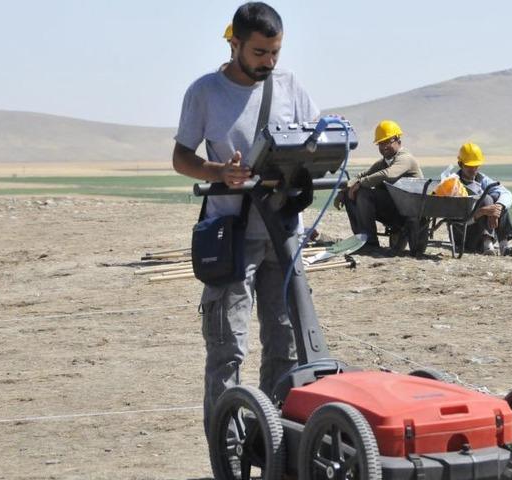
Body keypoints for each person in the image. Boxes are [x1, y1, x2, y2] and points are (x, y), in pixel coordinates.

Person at [171, 2, 320, 438]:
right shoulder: (204, 92)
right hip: (231, 238)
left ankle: (273, 440)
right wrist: (219, 173)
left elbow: (314, 141)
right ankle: (228, 448)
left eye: (275, 53)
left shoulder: (290, 86)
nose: (269, 63)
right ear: (234, 44)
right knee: (227, 347)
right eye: (259, 53)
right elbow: (181, 157)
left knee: (287, 342)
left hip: (283, 234)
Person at [334, 120, 424, 254]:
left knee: (363, 193)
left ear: (398, 140)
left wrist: (359, 184)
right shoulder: (383, 163)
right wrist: (345, 190)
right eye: (381, 143)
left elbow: (388, 174)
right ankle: (361, 240)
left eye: (388, 141)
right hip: (393, 209)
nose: (384, 146)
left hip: (408, 211)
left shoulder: (405, 159)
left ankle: (370, 243)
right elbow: (361, 175)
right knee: (350, 195)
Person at [452, 142, 512, 256]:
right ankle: (487, 246)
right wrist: (481, 212)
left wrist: (498, 209)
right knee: (486, 199)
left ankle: (504, 246)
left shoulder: (482, 179)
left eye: (476, 166)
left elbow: (506, 193)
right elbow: (457, 222)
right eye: (469, 166)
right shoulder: (453, 184)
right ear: (460, 164)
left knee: (498, 200)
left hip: (482, 233)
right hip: (464, 237)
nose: (473, 169)